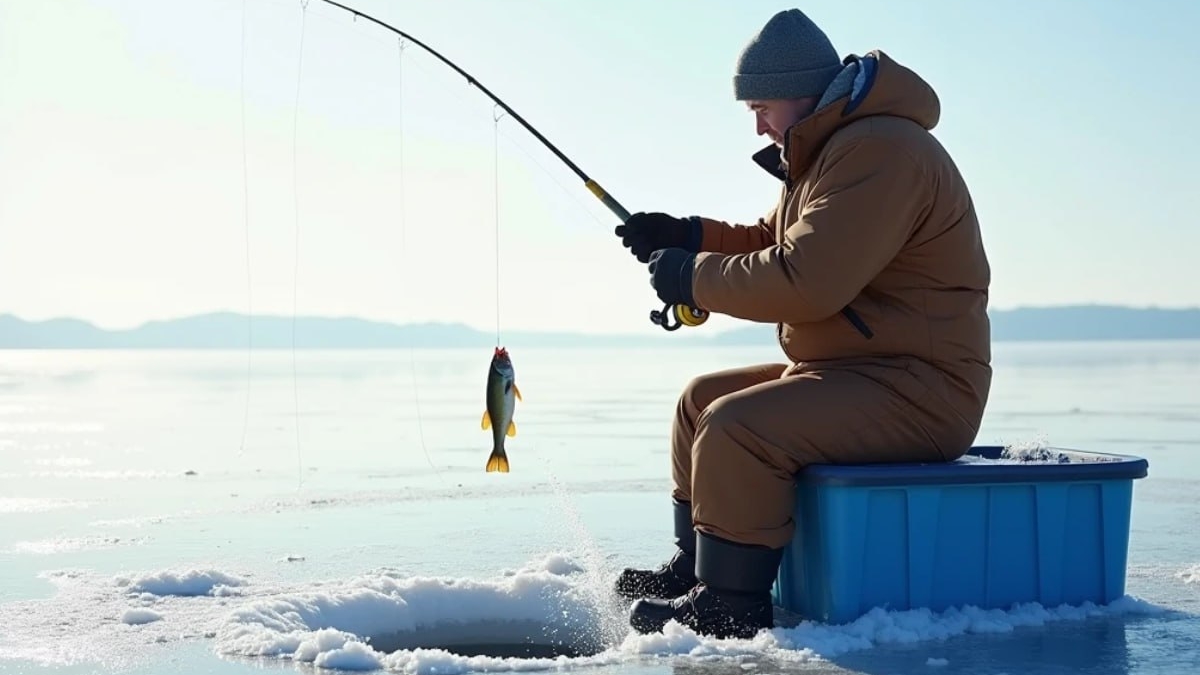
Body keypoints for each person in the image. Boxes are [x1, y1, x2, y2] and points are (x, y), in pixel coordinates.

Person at [611, 8, 992, 640]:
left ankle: (729, 604)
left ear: (800, 91)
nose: (757, 124)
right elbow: (772, 239)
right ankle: (696, 566)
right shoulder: (831, 151)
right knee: (700, 402)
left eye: (761, 107)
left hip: (920, 389)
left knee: (737, 427)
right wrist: (688, 236)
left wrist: (692, 277)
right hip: (853, 373)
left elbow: (807, 279)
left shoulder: (882, 152)